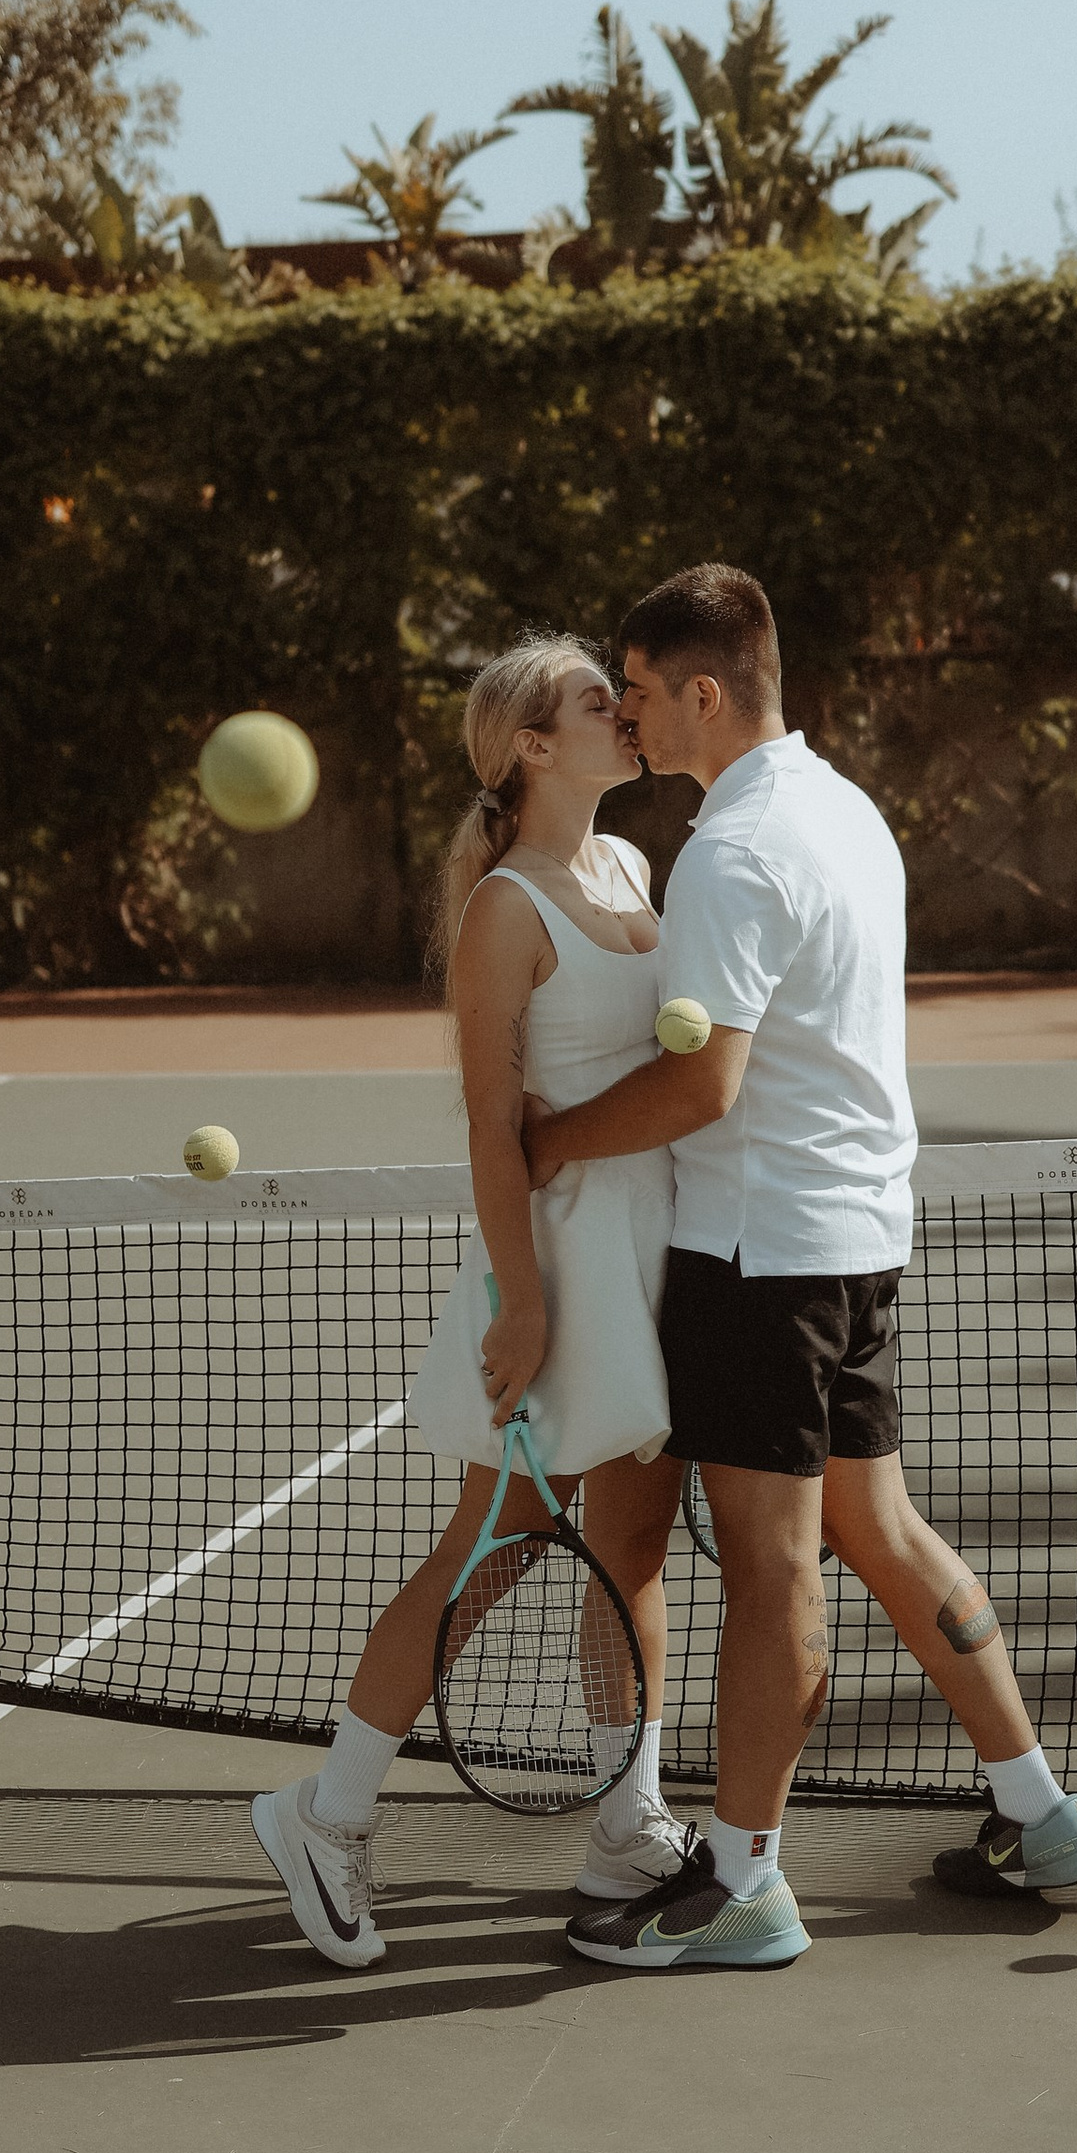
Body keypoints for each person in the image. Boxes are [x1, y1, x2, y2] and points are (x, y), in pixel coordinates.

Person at [527, 563, 1077, 1972]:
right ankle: (1039, 1808)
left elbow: (703, 1086)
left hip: (760, 1261)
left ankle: (740, 1876)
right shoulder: (844, 811)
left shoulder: (730, 852)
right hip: (861, 1239)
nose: (632, 711)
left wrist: (554, 1138)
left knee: (768, 1574)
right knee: (881, 1527)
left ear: (709, 690)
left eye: (647, 688)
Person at [249, 634, 698, 1970]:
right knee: (491, 1549)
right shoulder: (507, 909)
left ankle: (629, 1819)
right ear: (531, 749)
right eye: (590, 701)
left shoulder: (628, 865)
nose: (623, 710)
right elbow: (493, 1130)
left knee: (635, 1548)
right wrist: (520, 1305)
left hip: (657, 1248)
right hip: (559, 1266)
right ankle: (327, 1818)